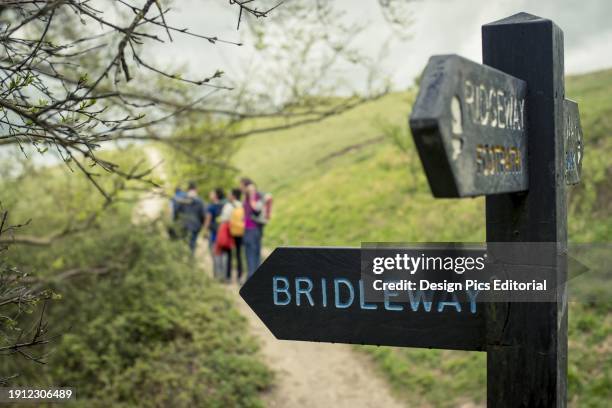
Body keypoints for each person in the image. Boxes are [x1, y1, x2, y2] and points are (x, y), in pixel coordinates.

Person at [241, 178, 272, 277]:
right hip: (249, 229)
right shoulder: (246, 198)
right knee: (252, 253)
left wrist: (252, 195)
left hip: (253, 229)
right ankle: (253, 277)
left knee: (253, 254)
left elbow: (256, 209)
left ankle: (252, 278)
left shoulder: (255, 197)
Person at [219, 188, 244, 283]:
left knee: (229, 254)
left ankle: (228, 277)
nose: (228, 196)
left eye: (229, 194)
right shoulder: (242, 205)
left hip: (229, 232)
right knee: (238, 254)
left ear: (233, 196)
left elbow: (224, 218)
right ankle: (240, 276)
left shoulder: (228, 206)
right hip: (240, 232)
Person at [174, 182, 205, 254]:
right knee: (192, 245)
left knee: (183, 245)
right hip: (195, 226)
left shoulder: (182, 199)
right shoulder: (199, 201)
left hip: (184, 225)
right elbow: (203, 215)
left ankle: (183, 262)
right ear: (196, 189)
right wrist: (202, 225)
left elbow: (176, 212)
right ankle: (191, 262)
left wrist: (176, 222)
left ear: (187, 189)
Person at [204, 188, 226, 279]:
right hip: (224, 234)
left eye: (212, 193)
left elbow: (208, 220)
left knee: (215, 253)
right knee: (223, 255)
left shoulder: (211, 207)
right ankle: (224, 275)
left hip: (214, 234)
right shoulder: (225, 205)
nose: (210, 194)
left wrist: (205, 231)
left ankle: (217, 275)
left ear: (216, 195)